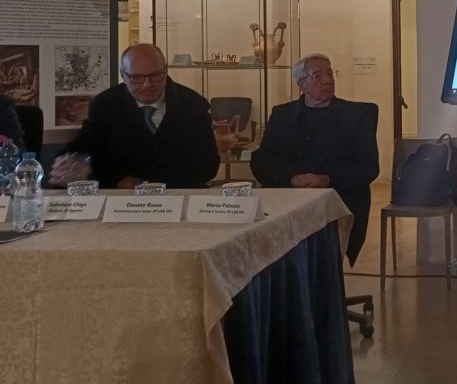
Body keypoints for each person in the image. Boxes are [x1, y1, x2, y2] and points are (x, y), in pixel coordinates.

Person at [251, 53, 379, 264]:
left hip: (337, 201)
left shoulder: (356, 115)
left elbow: (368, 167)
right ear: (301, 85)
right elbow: (263, 160)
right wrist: (292, 178)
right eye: (317, 76)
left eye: (329, 74)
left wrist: (325, 179)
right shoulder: (283, 115)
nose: (327, 80)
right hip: (289, 200)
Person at [50, 43, 220, 189]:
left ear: (165, 71)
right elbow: (87, 149)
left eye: (155, 76)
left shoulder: (193, 105)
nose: (147, 84)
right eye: (136, 78)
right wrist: (68, 164)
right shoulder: (106, 104)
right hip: (122, 200)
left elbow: (207, 165)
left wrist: (149, 184)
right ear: (123, 75)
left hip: (178, 196)